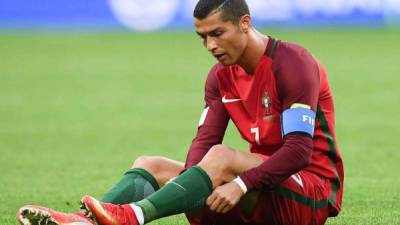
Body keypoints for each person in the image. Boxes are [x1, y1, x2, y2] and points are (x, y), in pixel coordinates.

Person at [17, 0, 344, 225]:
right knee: (150, 164)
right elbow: (203, 143)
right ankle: (83, 222)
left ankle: (132, 217)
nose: (211, 46)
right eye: (203, 37)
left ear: (245, 24)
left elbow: (299, 152)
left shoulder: (293, 64)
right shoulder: (220, 77)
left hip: (310, 193)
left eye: (218, 33)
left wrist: (240, 185)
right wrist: (195, 188)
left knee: (221, 157)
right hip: (260, 194)